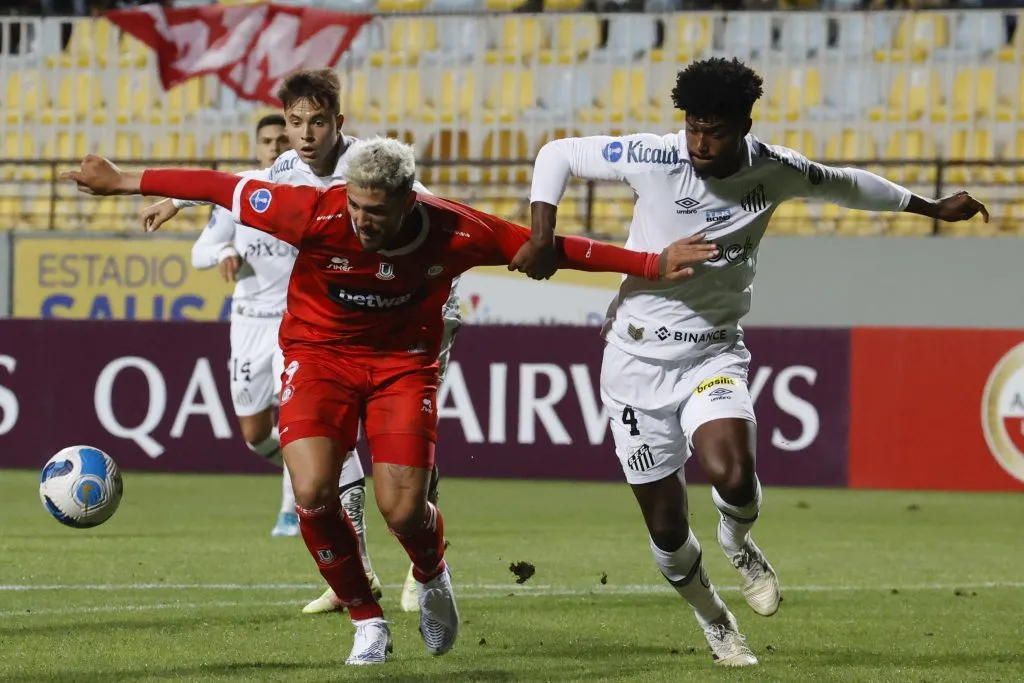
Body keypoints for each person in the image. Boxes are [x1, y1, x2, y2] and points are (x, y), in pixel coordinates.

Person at [62, 138, 718, 665]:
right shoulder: (309, 210)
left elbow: (548, 247)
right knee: (314, 490)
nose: (363, 221)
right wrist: (124, 181)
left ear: (409, 202)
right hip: (317, 358)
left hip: (404, 366)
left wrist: (651, 263)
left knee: (403, 505)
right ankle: (366, 621)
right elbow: (217, 186)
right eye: (357, 207)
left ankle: (432, 572)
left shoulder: (456, 229)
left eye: (376, 211)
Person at [511, 57, 989, 668]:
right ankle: (715, 619)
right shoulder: (655, 156)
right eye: (692, 127)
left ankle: (737, 542)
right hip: (633, 360)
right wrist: (543, 232)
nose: (700, 142)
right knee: (665, 528)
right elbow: (557, 154)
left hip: (711, 351)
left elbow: (846, 183)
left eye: (714, 130)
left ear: (744, 126)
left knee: (732, 473)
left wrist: (929, 207)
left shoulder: (775, 169)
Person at [143, 69, 450, 613]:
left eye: (316, 123)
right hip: (323, 327)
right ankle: (355, 574)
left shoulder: (372, 167)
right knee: (300, 445)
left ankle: (422, 569)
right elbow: (243, 181)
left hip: (405, 320)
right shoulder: (287, 167)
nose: (303, 135)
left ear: (338, 123)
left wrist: (443, 291)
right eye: (295, 123)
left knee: (399, 463)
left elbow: (438, 215)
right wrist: (179, 201)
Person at [186, 113, 303, 538]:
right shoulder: (239, 199)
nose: (275, 147)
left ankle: (293, 509)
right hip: (249, 324)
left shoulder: (309, 195)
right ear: (257, 148)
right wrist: (221, 255)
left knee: (295, 421)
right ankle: (308, 469)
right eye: (267, 141)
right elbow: (199, 252)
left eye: (282, 140)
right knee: (255, 435)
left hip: (296, 326)